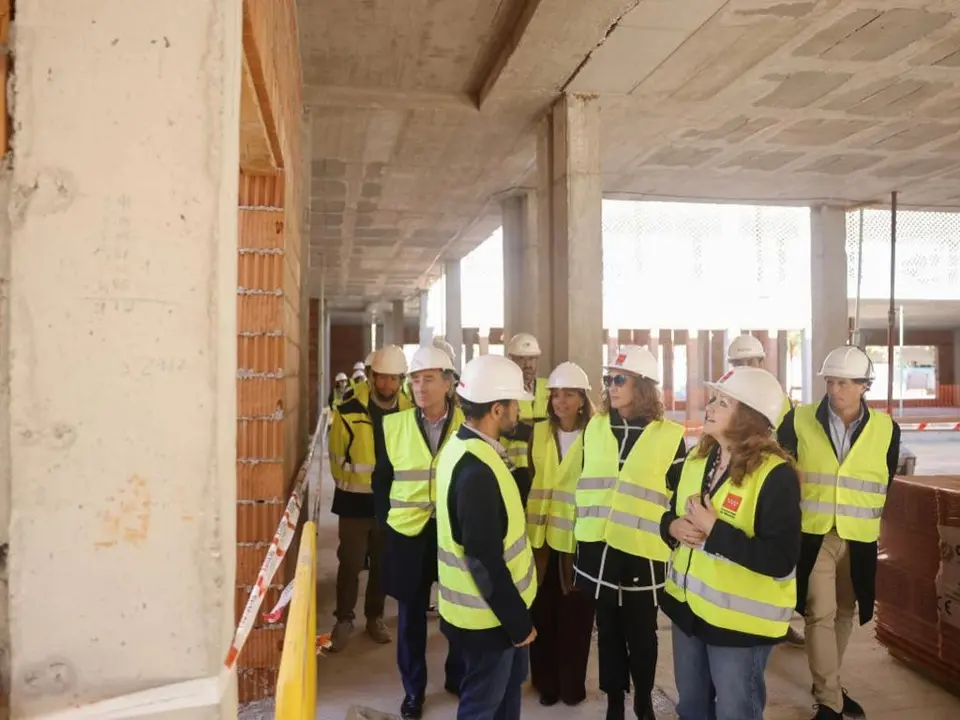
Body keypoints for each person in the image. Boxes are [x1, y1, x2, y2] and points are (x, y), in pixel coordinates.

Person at [661, 366, 802, 720]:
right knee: (691, 707)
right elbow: (669, 511)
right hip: (688, 611)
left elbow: (781, 558)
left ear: (749, 417)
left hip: (739, 627)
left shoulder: (775, 475)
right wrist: (671, 526)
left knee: (735, 712)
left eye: (723, 402)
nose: (709, 407)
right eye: (713, 399)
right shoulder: (696, 459)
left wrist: (715, 533)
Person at [777, 345, 900, 720]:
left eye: (844, 383)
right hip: (814, 535)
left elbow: (887, 480)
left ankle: (827, 686)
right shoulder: (798, 420)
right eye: (830, 382)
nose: (835, 390)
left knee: (846, 612)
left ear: (864, 386)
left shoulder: (886, 428)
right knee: (820, 613)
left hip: (859, 537)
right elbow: (779, 477)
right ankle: (830, 700)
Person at [574, 345, 687, 720]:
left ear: (643, 386)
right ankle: (613, 703)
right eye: (609, 379)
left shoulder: (671, 436)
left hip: (642, 549)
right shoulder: (594, 426)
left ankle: (642, 699)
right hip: (599, 548)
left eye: (619, 379)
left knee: (642, 634)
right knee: (606, 631)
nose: (611, 386)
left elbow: (680, 497)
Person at [435, 354, 538, 720]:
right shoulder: (476, 470)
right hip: (488, 620)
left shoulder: (463, 448)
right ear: (497, 409)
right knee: (482, 707)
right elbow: (483, 558)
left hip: (490, 615)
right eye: (514, 406)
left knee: (506, 701)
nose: (518, 414)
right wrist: (517, 621)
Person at [374, 346, 465, 719]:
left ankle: (456, 677)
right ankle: (413, 691)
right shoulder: (393, 426)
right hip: (408, 535)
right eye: (415, 379)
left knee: (458, 611)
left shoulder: (467, 424)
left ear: (448, 382)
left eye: (428, 378)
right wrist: (386, 527)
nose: (419, 386)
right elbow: (381, 481)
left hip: (451, 534)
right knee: (410, 617)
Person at [328, 345, 413, 651]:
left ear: (400, 379)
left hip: (390, 504)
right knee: (350, 564)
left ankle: (374, 617)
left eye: (393, 379)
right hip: (354, 502)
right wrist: (349, 484)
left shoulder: (408, 411)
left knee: (382, 564)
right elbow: (336, 455)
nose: (386, 385)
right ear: (373, 376)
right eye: (382, 378)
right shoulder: (349, 408)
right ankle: (343, 619)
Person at [726, 332, 804, 647]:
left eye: (750, 361)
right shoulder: (726, 397)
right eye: (738, 362)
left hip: (770, 487)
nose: (746, 366)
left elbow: (790, 448)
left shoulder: (782, 404)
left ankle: (780, 623)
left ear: (762, 362)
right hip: (738, 485)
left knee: (774, 560)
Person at [526, 361, 596, 707]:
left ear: (582, 399)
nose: (560, 401)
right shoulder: (537, 433)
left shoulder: (599, 434)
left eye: (568, 395)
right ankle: (545, 683)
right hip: (540, 539)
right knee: (542, 611)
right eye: (555, 395)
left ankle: (572, 685)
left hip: (578, 540)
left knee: (576, 616)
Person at [501, 332, 549, 504]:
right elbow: (508, 428)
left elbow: (560, 426)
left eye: (532, 359)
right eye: (521, 359)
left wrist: (525, 426)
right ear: (511, 359)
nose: (527, 365)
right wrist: (543, 426)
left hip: (544, 469)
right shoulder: (503, 391)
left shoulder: (550, 388)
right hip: (512, 471)